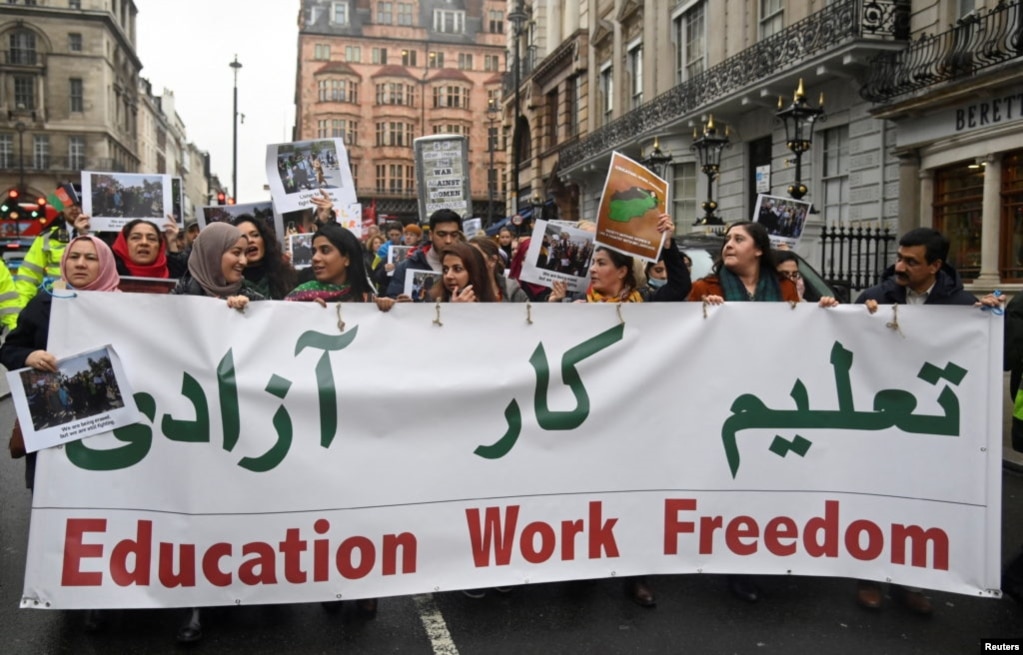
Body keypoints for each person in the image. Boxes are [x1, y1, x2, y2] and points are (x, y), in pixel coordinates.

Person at [854, 227, 1001, 614]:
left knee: (919, 501)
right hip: (878, 416)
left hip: (928, 421)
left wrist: (990, 321)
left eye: (911, 261)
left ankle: (910, 581)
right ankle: (870, 577)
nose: (899, 267)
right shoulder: (874, 297)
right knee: (875, 497)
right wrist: (852, 316)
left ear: (936, 265)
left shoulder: (963, 306)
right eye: (899, 258)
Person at [550, 213, 689, 304]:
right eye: (593, 263)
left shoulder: (643, 300)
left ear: (622, 271)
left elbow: (680, 287)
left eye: (601, 263)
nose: (592, 269)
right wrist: (557, 305)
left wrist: (667, 244)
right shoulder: (579, 302)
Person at [14, 204, 92, 309]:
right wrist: (21, 311)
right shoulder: (47, 237)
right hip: (56, 304)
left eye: (79, 204)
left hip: (91, 304)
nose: (74, 208)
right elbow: (28, 277)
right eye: (70, 204)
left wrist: (85, 234)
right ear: (62, 208)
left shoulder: (106, 236)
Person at [171, 222, 263, 309]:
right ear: (213, 255)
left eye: (245, 253)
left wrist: (247, 311)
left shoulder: (253, 300)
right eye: (236, 253)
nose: (244, 261)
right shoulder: (178, 296)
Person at [286, 223, 376, 304]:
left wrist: (384, 309)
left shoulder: (368, 301)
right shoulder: (300, 296)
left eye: (325, 250)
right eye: (314, 252)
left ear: (347, 259)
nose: (315, 258)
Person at [385, 209, 463, 299]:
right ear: (431, 235)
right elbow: (393, 300)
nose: (448, 240)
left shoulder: (470, 265)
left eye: (454, 235)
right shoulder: (407, 266)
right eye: (442, 234)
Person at [232, 215, 296, 300]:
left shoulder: (287, 275)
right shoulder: (230, 285)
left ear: (264, 239)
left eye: (255, 235)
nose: (250, 240)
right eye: (244, 237)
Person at [111, 219, 187, 278]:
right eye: (136, 237)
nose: (144, 243)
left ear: (160, 246)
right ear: (124, 244)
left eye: (151, 239)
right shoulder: (109, 274)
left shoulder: (181, 277)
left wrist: (172, 241)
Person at [468, 236, 527, 302]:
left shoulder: (514, 292)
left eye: (475, 255)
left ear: (492, 260)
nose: (469, 261)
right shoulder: (460, 294)